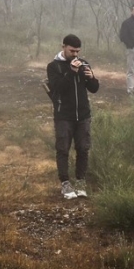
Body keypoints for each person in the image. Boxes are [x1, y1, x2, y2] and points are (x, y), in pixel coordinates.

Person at [48, 34, 100, 199]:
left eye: (78, 51)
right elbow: (57, 89)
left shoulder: (84, 63)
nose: (75, 54)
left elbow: (93, 89)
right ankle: (65, 183)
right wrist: (71, 72)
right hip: (64, 115)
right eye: (72, 51)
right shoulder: (53, 66)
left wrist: (92, 78)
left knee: (83, 149)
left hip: (83, 114)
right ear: (63, 46)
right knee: (63, 149)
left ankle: (80, 181)